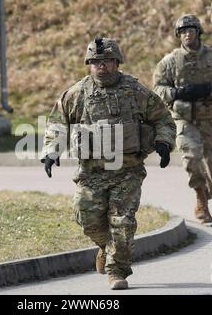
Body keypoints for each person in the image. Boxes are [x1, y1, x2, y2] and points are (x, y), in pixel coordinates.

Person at [41, 37, 176, 290]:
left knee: (122, 223)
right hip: (91, 172)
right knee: (85, 217)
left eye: (107, 62)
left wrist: (164, 142)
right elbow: (57, 123)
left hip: (127, 171)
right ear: (89, 64)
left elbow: (163, 119)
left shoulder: (135, 91)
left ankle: (117, 271)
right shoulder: (77, 94)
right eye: (96, 62)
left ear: (116, 62)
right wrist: (51, 151)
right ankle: (107, 248)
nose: (101, 67)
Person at [153, 14, 212, 224]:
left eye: (191, 31)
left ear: (198, 33)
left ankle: (207, 189)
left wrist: (208, 89)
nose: (187, 35)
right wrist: (177, 93)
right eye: (183, 32)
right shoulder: (169, 62)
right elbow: (158, 88)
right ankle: (200, 197)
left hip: (209, 118)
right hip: (184, 118)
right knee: (191, 157)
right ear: (178, 35)